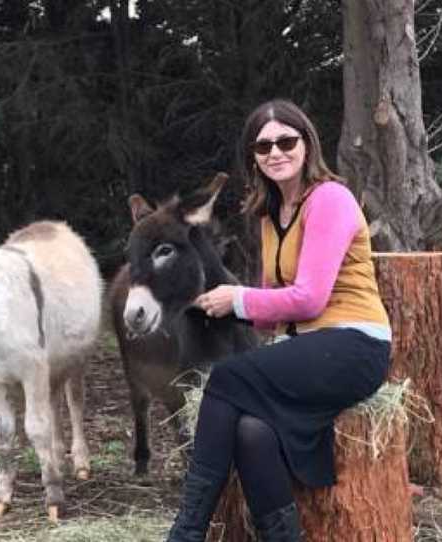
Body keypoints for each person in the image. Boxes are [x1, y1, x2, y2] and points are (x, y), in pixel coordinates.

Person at [165, 99, 392, 542]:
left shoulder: (330, 199)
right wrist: (223, 305)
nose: (276, 152)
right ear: (253, 157)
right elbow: (277, 309)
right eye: (263, 145)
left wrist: (241, 300)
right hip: (308, 351)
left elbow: (309, 300)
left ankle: (186, 533)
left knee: (226, 380)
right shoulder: (271, 215)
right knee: (252, 432)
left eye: (286, 140)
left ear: (307, 144)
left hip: (353, 347)